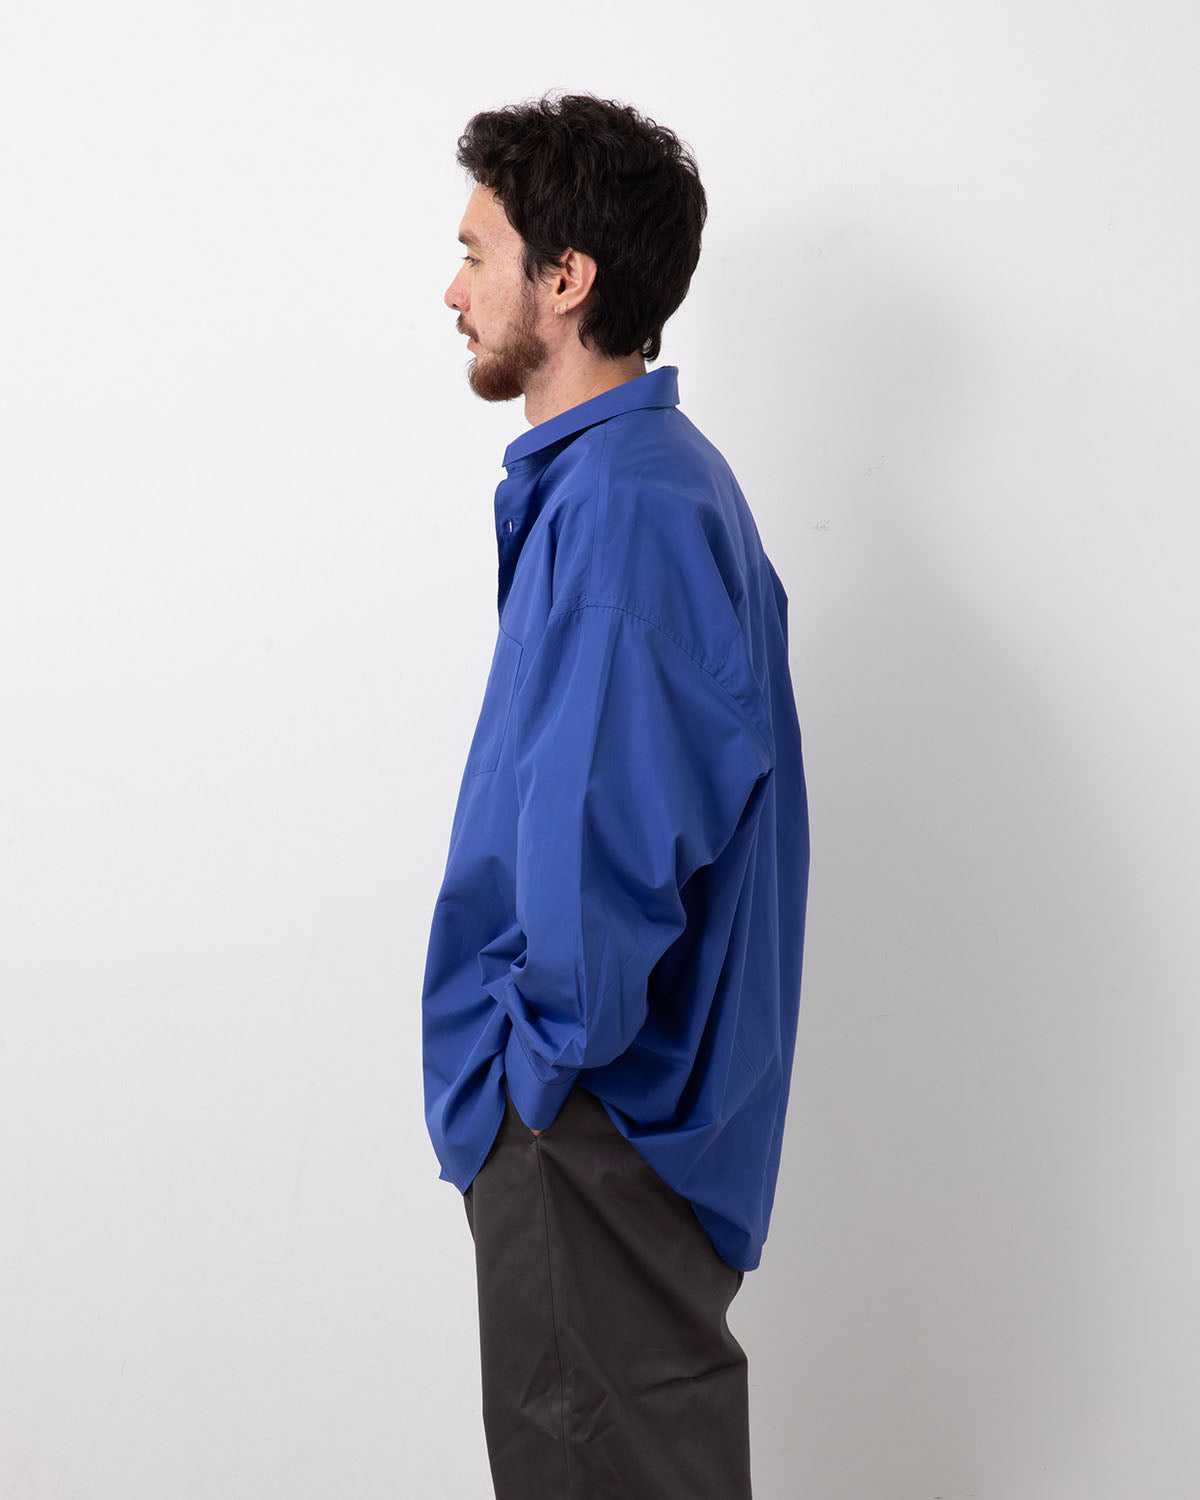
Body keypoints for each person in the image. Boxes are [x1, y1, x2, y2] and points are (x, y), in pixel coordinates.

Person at [420, 92, 809, 1500]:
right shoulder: (629, 486)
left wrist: (527, 1080)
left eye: (479, 254)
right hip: (607, 1132)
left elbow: (610, 841)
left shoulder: (626, 508)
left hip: (590, 1133)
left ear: (567, 278)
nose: (453, 291)